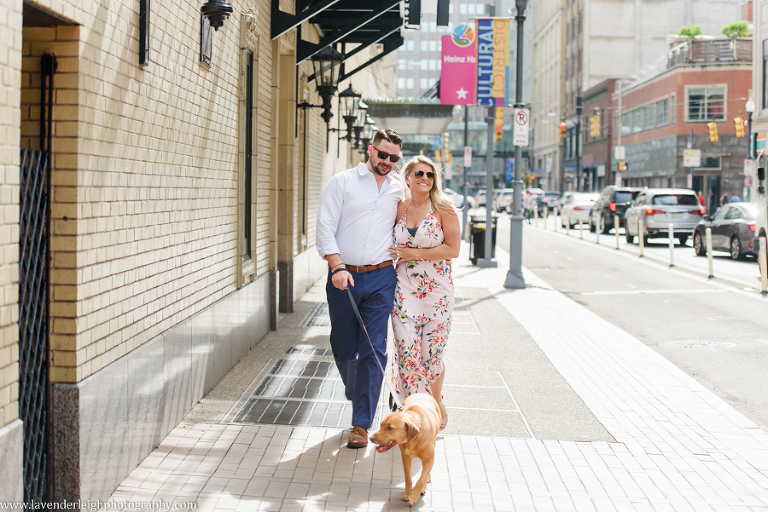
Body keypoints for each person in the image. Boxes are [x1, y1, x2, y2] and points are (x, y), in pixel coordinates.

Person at [316, 129, 406, 448]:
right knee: (343, 346)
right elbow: (325, 227)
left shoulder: (399, 190)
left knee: (374, 347)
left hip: (382, 277)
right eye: (382, 155)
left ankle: (361, 423)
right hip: (344, 275)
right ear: (370, 150)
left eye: (394, 158)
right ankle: (360, 395)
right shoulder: (342, 182)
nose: (387, 162)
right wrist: (337, 265)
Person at [388, 156, 461, 431]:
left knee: (432, 355)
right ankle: (413, 413)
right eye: (419, 173)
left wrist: (412, 253)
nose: (425, 179)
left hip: (437, 293)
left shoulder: (443, 207)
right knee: (406, 352)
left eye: (430, 175)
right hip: (404, 290)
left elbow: (453, 249)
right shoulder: (400, 208)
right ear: (407, 177)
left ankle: (434, 400)